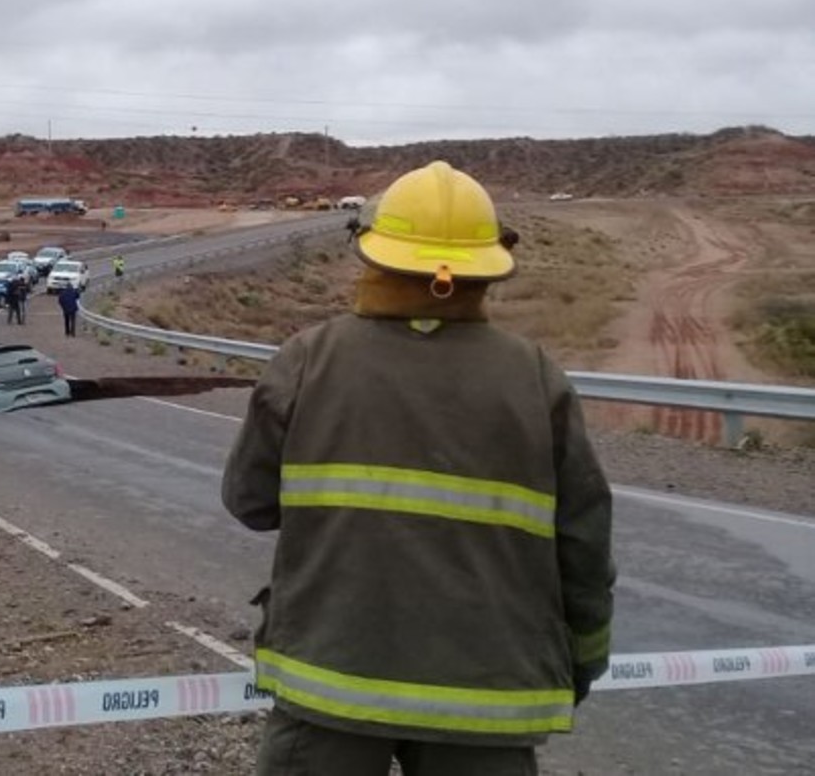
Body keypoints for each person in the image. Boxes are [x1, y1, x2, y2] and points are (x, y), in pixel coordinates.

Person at [221, 161, 615, 776]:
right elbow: (584, 543)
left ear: (375, 256)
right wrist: (585, 659)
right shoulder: (537, 379)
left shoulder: (308, 361)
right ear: (487, 266)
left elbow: (249, 503)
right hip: (487, 700)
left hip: (330, 684)